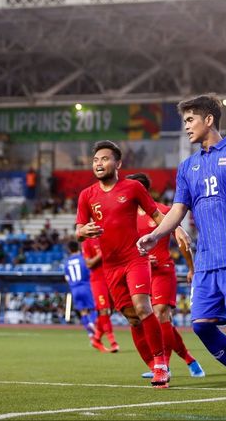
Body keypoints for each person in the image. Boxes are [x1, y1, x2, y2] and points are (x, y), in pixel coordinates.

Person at [136, 94, 226, 409]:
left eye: (190, 120)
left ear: (208, 120)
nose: (186, 126)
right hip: (207, 260)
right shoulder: (187, 166)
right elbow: (178, 209)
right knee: (200, 325)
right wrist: (156, 234)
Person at [76, 140, 186, 389]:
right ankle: (153, 366)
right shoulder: (86, 196)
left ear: (118, 163)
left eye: (104, 159)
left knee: (142, 306)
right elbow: (78, 231)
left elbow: (157, 215)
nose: (99, 163)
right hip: (110, 265)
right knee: (132, 317)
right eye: (95, 160)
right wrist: (84, 230)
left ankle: (161, 365)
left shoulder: (133, 187)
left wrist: (176, 229)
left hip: (135, 257)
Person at [126, 172, 205, 379]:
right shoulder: (127, 215)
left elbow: (182, 241)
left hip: (162, 270)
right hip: (139, 272)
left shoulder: (163, 212)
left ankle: (164, 366)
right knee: (151, 320)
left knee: (161, 313)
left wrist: (191, 268)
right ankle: (188, 358)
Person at [63, 241, 104, 351]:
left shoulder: (66, 263)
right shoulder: (82, 258)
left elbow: (66, 278)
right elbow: (90, 270)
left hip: (74, 289)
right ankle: (93, 326)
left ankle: (91, 336)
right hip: (86, 286)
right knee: (94, 309)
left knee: (83, 312)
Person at [81, 237, 119, 352]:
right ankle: (113, 342)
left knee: (109, 311)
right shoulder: (87, 242)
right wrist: (102, 253)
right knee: (104, 310)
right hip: (98, 280)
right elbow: (89, 263)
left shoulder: (107, 237)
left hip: (111, 277)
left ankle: (96, 338)